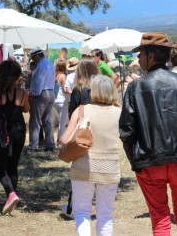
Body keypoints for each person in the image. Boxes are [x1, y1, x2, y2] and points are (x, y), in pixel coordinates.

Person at [120, 32, 177, 235]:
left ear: (150, 55)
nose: (138, 59)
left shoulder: (135, 88)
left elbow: (127, 131)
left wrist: (135, 161)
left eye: (140, 54)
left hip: (149, 163)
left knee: (160, 218)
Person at [60, 76, 122, 236]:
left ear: (93, 91)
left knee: (82, 213)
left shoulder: (81, 110)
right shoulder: (119, 113)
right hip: (110, 168)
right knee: (106, 215)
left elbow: (64, 139)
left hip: (83, 167)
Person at [0, 60, 30, 215]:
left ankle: (11, 194)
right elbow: (26, 109)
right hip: (19, 130)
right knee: (13, 166)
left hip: (2, 131)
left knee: (0, 167)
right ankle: (12, 201)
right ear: (16, 75)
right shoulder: (22, 92)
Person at [27, 47, 56, 152]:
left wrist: (33, 93)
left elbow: (39, 81)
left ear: (38, 55)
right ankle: (50, 144)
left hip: (41, 93)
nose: (33, 60)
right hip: (51, 92)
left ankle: (33, 146)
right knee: (48, 120)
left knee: (35, 121)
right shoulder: (49, 64)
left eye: (33, 57)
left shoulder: (41, 65)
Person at [54, 59, 70, 144]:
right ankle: (60, 140)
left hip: (54, 100)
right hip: (62, 100)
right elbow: (64, 89)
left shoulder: (55, 75)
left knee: (60, 121)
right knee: (62, 121)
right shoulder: (63, 76)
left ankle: (57, 138)